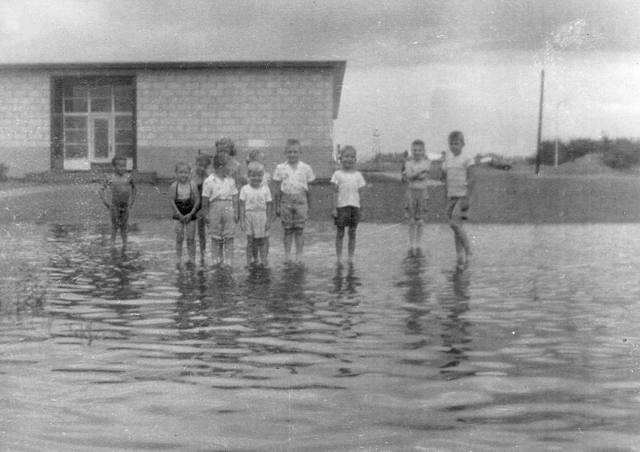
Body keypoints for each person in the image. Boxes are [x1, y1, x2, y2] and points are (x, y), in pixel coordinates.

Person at [273, 139, 315, 262]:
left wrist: (309, 208)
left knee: (299, 230)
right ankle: (287, 256)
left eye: (295, 152)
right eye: (289, 152)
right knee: (287, 230)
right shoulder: (280, 168)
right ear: (285, 153)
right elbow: (276, 191)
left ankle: (299, 256)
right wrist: (277, 207)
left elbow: (310, 191)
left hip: (301, 201)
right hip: (285, 201)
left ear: (300, 152)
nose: (292, 154)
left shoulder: (306, 168)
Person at [442, 130, 474, 267]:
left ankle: (469, 250)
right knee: (456, 227)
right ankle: (459, 256)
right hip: (451, 196)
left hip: (462, 196)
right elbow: (445, 179)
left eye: (457, 143)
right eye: (452, 144)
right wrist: (445, 195)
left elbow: (472, 178)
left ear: (463, 144)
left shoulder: (467, 158)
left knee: (454, 224)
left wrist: (467, 196)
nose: (454, 146)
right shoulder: (447, 160)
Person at [201, 153, 239, 267]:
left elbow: (235, 197)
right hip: (215, 208)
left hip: (228, 208)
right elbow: (205, 199)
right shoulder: (209, 181)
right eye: (229, 165)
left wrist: (236, 212)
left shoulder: (231, 181)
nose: (231, 168)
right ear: (221, 167)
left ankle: (228, 261)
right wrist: (206, 213)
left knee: (229, 236)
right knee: (215, 237)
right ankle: (216, 260)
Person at [330, 145, 366, 263]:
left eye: (352, 157)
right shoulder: (337, 174)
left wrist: (362, 209)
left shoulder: (358, 175)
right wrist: (334, 209)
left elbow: (361, 194)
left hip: (354, 207)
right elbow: (334, 193)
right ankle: (339, 258)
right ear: (341, 158)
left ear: (355, 160)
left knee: (352, 233)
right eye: (346, 156)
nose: (349, 159)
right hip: (341, 207)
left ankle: (350, 258)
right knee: (340, 233)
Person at [239, 162, 273, 267]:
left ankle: (263, 259)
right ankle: (251, 260)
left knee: (262, 240)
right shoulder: (245, 189)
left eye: (259, 176)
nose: (256, 178)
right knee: (250, 241)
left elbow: (269, 205)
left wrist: (268, 220)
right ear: (248, 176)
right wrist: (242, 221)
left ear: (262, 176)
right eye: (253, 176)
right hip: (249, 216)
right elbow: (241, 206)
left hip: (262, 216)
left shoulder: (265, 189)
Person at [99, 155, 136, 248]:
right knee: (115, 227)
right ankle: (112, 245)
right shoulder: (111, 178)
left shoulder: (128, 177)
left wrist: (132, 201)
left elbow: (134, 188)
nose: (122, 168)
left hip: (126, 206)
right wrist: (105, 202)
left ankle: (125, 245)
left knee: (124, 227)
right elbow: (101, 190)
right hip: (115, 206)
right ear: (114, 167)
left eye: (124, 166)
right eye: (120, 166)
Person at [169, 162, 200, 267]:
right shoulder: (174, 186)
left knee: (191, 238)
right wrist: (178, 214)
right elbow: (171, 201)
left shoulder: (192, 185)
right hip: (178, 213)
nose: (183, 175)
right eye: (181, 172)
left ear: (190, 173)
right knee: (179, 238)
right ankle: (178, 259)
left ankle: (192, 259)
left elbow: (197, 200)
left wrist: (191, 214)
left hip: (190, 213)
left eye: (186, 172)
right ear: (176, 173)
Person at [402, 139, 430, 253]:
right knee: (411, 220)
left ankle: (418, 242)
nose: (417, 152)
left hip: (422, 193)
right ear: (411, 151)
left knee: (420, 220)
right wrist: (418, 173)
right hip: (411, 192)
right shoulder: (408, 163)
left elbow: (423, 176)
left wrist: (414, 175)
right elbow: (409, 175)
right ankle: (411, 243)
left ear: (423, 151)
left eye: (419, 150)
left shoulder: (426, 163)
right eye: (414, 150)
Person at [245, 149, 272, 261]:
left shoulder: (267, 176)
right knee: (252, 238)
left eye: (262, 160)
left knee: (264, 237)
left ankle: (264, 258)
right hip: (251, 211)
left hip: (262, 210)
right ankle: (254, 258)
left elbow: (269, 196)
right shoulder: (248, 176)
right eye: (257, 160)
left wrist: (270, 214)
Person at [193, 154, 211, 265]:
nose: (202, 168)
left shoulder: (208, 178)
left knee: (202, 232)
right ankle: (192, 251)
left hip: (203, 207)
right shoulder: (191, 176)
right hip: (193, 205)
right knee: (190, 231)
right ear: (196, 164)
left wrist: (205, 210)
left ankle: (203, 252)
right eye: (200, 165)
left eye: (205, 167)